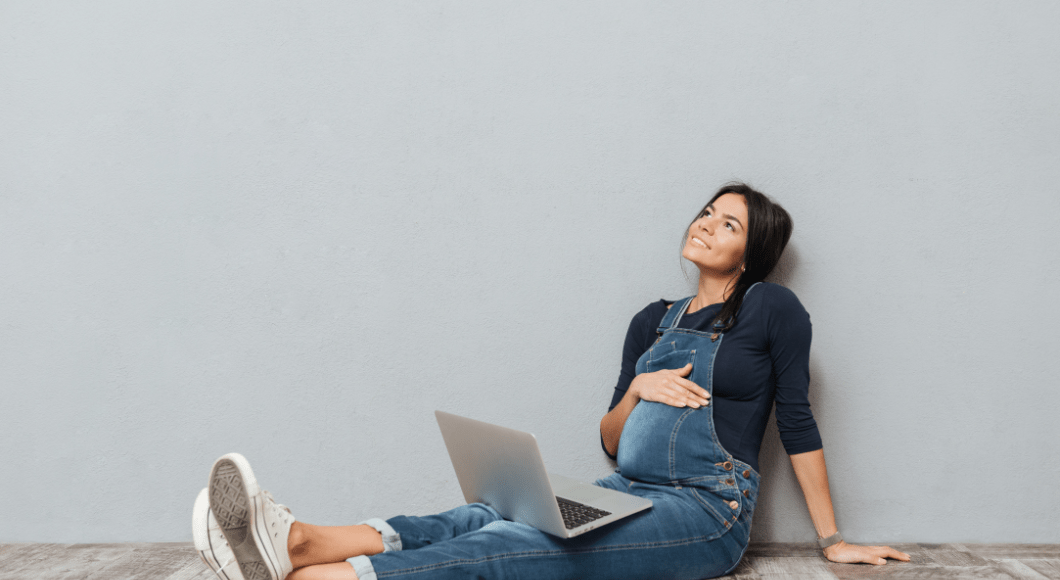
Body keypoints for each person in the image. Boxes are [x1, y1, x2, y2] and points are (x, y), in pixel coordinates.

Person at [191, 183, 910, 580]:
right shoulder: (651, 321)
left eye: (728, 225)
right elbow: (609, 439)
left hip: (707, 512)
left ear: (752, 253)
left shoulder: (769, 308)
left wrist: (832, 541)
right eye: (706, 212)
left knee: (543, 547)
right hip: (628, 489)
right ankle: (304, 543)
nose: (707, 226)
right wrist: (640, 391)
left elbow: (797, 419)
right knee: (487, 512)